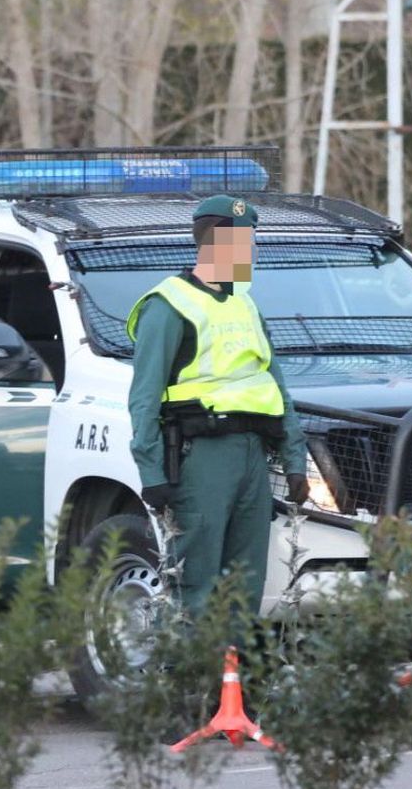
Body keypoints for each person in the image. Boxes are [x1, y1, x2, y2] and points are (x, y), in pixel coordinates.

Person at [126, 194, 309, 619]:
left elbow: (275, 388)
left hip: (252, 456)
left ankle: (230, 681)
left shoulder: (245, 304)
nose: (253, 252)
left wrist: (294, 459)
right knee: (197, 581)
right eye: (246, 243)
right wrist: (152, 472)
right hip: (201, 458)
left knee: (245, 584)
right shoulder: (169, 304)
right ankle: (190, 678)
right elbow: (144, 397)